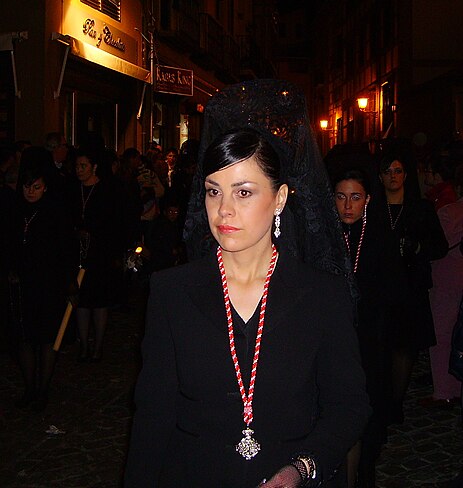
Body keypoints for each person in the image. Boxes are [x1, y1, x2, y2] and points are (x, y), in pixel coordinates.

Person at [124, 79, 371, 488]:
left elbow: (348, 407)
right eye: (213, 191)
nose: (224, 210)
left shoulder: (322, 295)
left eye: (243, 192)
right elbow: (153, 417)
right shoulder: (171, 292)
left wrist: (302, 468)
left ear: (280, 198)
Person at [332, 168, 407, 488]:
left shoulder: (379, 236)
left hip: (370, 340)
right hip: (333, 341)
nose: (348, 205)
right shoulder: (324, 237)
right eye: (341, 197)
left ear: (368, 200)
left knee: (367, 410)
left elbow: (392, 294)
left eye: (355, 197)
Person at [376, 152, 449, 423]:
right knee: (382, 347)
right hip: (382, 288)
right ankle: (383, 400)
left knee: (405, 348)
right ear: (381, 176)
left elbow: (439, 247)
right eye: (388, 171)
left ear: (405, 175)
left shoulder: (421, 208)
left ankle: (395, 404)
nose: (393, 176)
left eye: (398, 170)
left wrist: (417, 248)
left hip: (411, 288)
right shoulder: (374, 209)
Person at [7, 152, 77, 411]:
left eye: (36, 187)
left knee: (47, 338)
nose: (30, 192)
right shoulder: (14, 210)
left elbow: (65, 248)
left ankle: (43, 389)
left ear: (45, 187)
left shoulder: (54, 211)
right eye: (27, 186)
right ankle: (30, 388)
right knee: (24, 338)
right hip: (21, 285)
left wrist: (69, 282)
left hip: (49, 283)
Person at [69, 147, 126, 361]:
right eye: (76, 166)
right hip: (79, 254)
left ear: (93, 167)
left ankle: (98, 346)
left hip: (100, 254)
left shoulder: (106, 190)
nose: (79, 170)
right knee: (81, 301)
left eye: (83, 166)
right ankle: (84, 344)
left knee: (99, 301)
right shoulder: (73, 190)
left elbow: (113, 223)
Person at [425, 163, 463, 406]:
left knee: (442, 332)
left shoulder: (448, 211)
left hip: (447, 276)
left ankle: (445, 390)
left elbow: (435, 244)